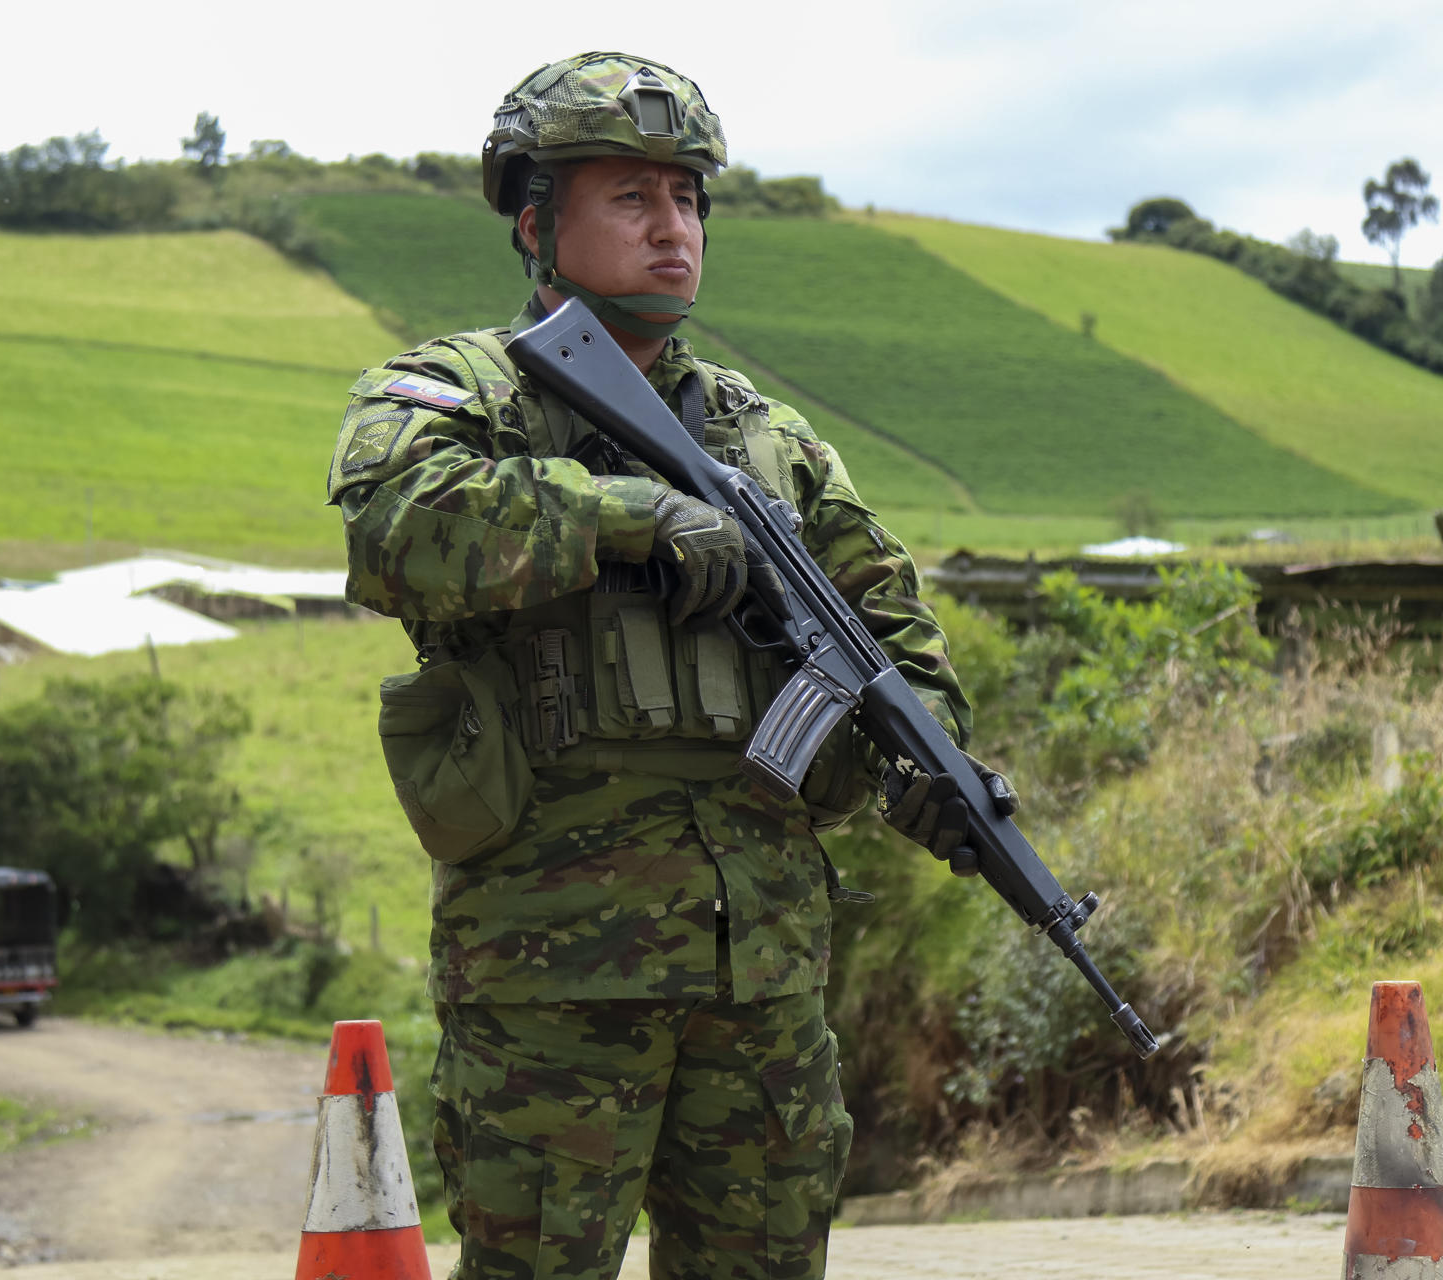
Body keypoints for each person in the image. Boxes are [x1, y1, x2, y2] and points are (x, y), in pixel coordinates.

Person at [327, 51, 1008, 1280]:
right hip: (552, 969)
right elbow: (398, 525)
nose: (673, 227)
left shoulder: (770, 437)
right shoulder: (455, 392)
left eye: (688, 198)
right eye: (632, 197)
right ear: (537, 222)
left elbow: (890, 618)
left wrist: (929, 762)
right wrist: (635, 517)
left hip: (763, 970)